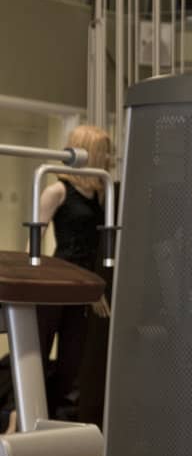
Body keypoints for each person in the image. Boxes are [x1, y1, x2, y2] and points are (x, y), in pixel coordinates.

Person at [37, 123, 111, 422]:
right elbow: (32, 244)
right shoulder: (56, 191)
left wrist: (95, 288)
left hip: (86, 286)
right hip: (57, 281)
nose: (109, 159)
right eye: (105, 153)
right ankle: (19, 417)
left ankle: (56, 420)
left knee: (73, 360)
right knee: (37, 355)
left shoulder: (100, 194)